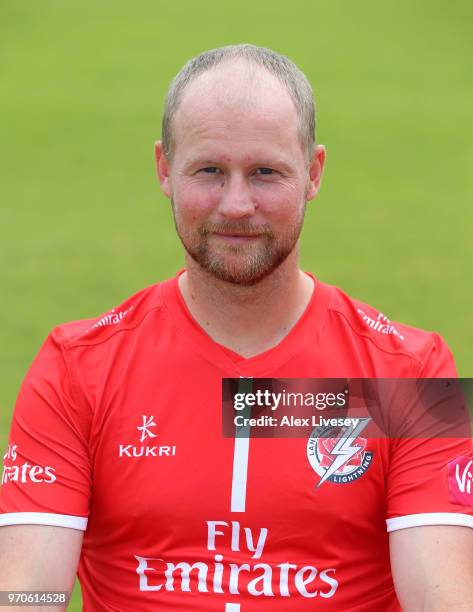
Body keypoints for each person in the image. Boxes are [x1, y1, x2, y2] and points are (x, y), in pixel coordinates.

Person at [0, 44, 472, 612]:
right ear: (163, 170)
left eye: (266, 173)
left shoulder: (414, 376)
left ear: (314, 173)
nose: (236, 204)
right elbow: (25, 595)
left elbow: (443, 602)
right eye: (210, 171)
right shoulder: (75, 367)